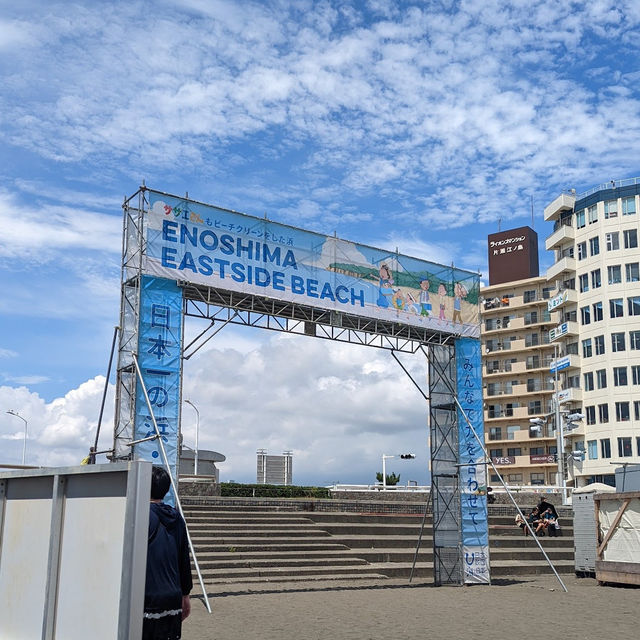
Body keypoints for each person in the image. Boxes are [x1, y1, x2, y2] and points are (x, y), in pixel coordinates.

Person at [143, 466, 193, 640]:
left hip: (146, 597)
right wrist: (185, 594)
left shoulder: (142, 515)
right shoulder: (176, 517)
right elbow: (183, 560)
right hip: (172, 595)